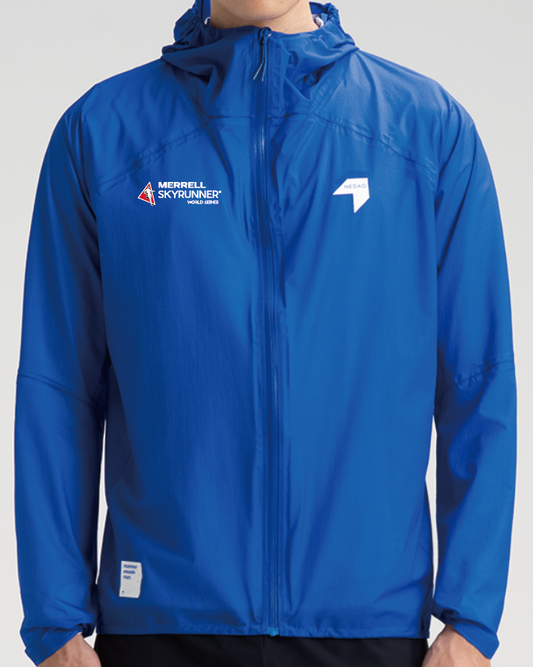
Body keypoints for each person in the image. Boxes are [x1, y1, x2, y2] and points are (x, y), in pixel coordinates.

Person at [14, 1, 517, 666]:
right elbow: (58, 386)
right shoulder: (101, 135)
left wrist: (470, 623)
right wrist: (55, 625)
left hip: (368, 630)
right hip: (160, 621)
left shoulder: (427, 134)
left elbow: (477, 384)